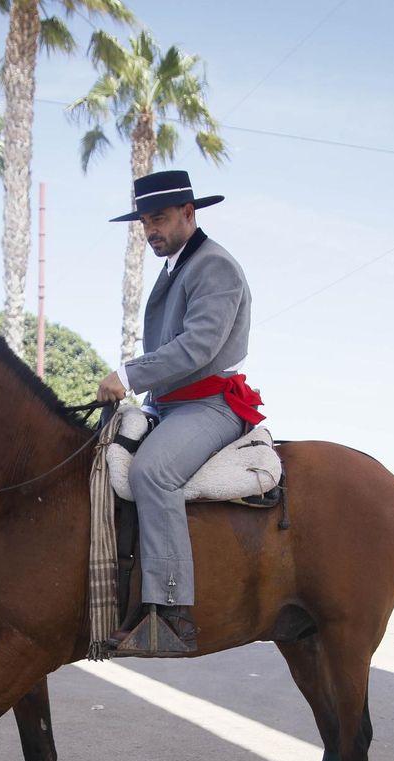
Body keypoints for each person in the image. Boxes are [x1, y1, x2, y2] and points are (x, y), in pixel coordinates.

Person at [97, 169, 263, 655]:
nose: (151, 230)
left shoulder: (215, 267)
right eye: (146, 221)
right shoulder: (178, 267)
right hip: (167, 405)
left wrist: (128, 376)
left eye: (161, 219)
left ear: (189, 214)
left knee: (152, 473)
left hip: (208, 404)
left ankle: (171, 614)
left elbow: (198, 346)